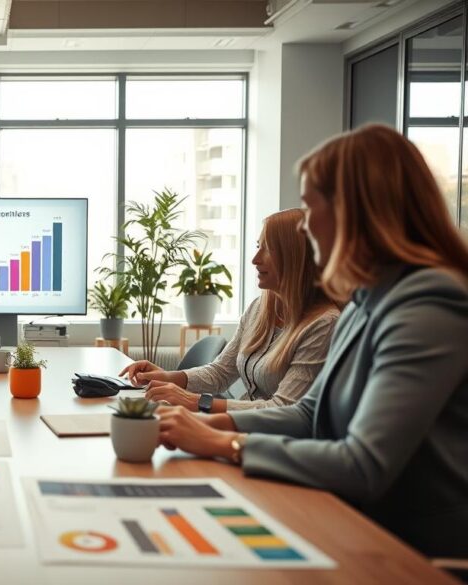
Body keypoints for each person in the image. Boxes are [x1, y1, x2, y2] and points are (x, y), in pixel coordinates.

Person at [155, 124, 468, 559]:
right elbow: (306, 414)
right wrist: (210, 424)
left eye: (310, 206)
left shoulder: (430, 305)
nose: (305, 225)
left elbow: (364, 465)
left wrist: (225, 442)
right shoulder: (365, 300)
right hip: (354, 520)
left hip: (413, 549)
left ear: (353, 212)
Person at [122, 209, 340, 412]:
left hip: (276, 442)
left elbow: (283, 409)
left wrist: (194, 401)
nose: (255, 260)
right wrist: (168, 377)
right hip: (242, 429)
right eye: (258, 246)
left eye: (269, 249)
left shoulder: (324, 325)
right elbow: (221, 372)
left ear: (295, 258)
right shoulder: (259, 309)